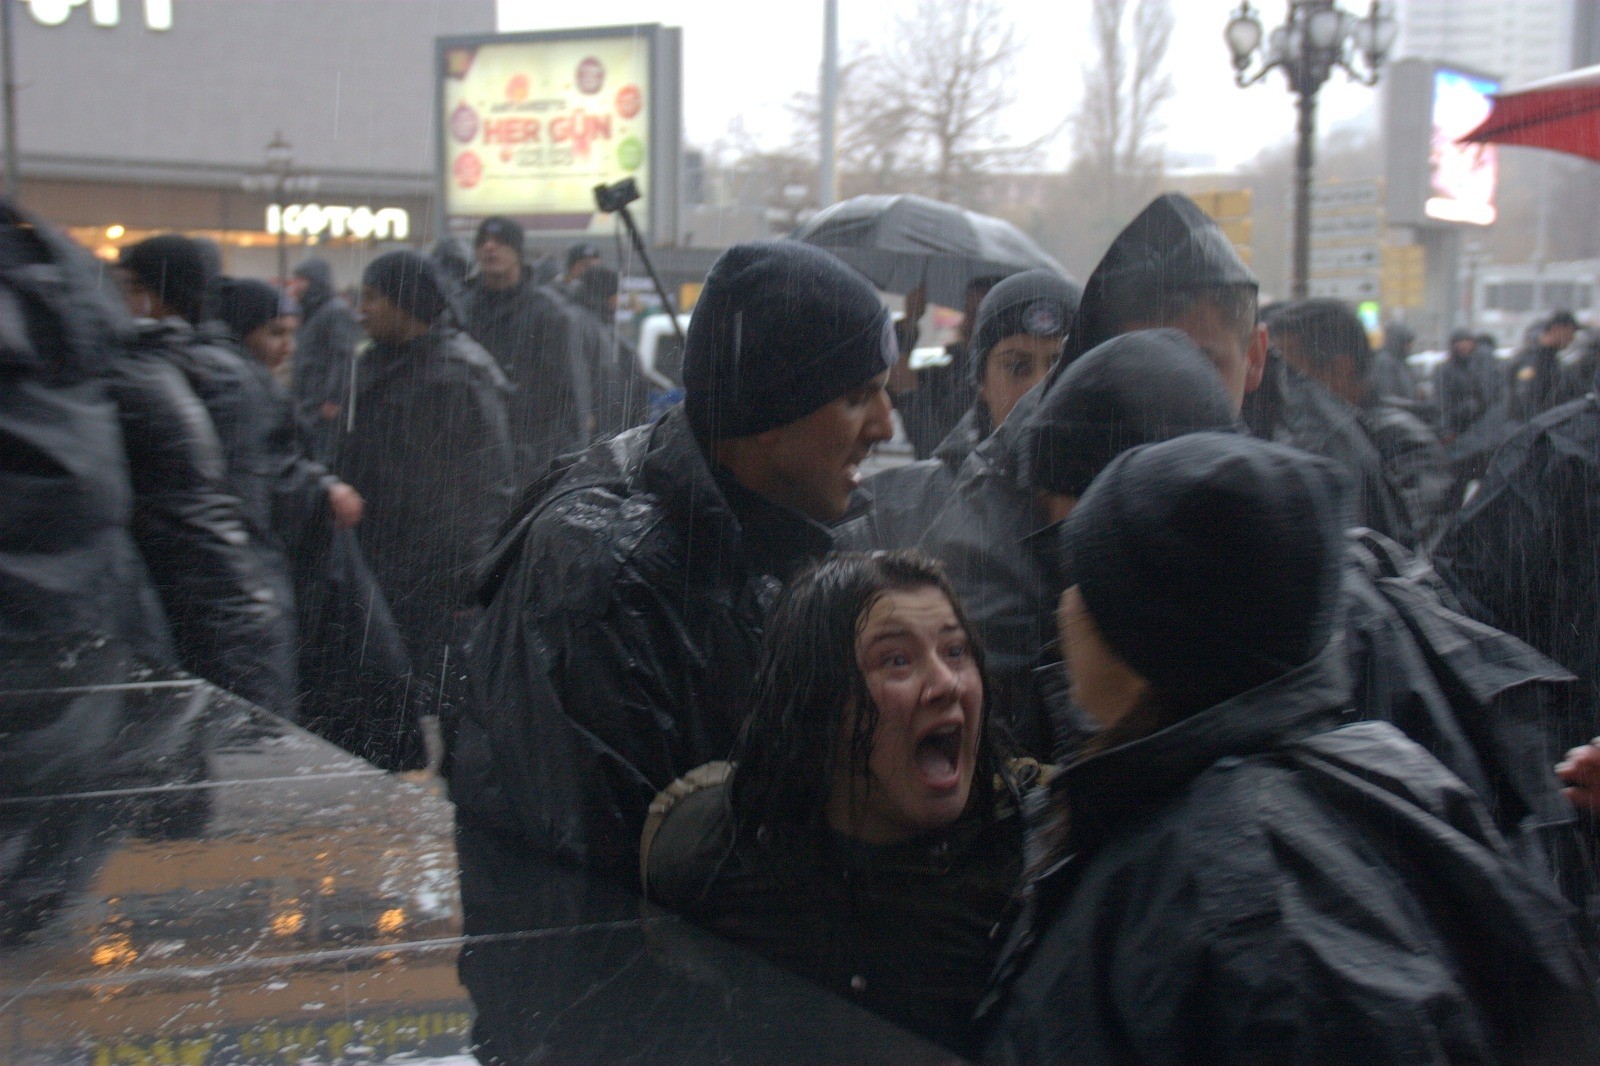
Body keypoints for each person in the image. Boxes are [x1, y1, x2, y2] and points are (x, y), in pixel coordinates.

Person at [983, 432, 1600, 1066]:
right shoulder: (1352, 773)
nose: (1064, 606)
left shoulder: (1253, 911)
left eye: (1082, 581)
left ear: (1143, 634)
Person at [451, 240, 896, 907]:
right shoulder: (603, 575)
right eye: (860, 397)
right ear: (770, 414)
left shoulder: (787, 524)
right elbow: (597, 891)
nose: (886, 426)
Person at [918, 193, 1268, 757]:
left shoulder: (1276, 494)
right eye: (1138, 362)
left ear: (1254, 357)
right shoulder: (1006, 506)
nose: (1168, 391)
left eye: (1202, 363)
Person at [642, 551, 1028, 1058]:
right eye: (897, 660)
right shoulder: (715, 855)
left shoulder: (1032, 857)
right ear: (819, 702)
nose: (947, 684)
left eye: (956, 651)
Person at [116, 235, 296, 713]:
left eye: (129, 286)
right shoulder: (198, 366)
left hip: (218, 605)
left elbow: (214, 512)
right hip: (230, 599)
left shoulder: (199, 374)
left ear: (156, 293)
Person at [340, 251, 514, 737]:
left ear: (405, 302)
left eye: (372, 297)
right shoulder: (377, 361)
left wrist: (469, 574)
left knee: (450, 702)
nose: (362, 309)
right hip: (384, 556)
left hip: (437, 570)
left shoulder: (458, 372)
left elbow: (486, 482)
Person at [843, 269, 1080, 553]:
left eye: (1061, 367)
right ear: (981, 383)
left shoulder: (1122, 498)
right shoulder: (902, 508)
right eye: (1017, 367)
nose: (1039, 388)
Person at [1268, 299, 1453, 545]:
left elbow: (1408, 548)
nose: (1280, 386)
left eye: (1291, 373)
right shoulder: (1297, 431)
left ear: (1341, 369)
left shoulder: (1404, 442)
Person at [460, 216, 588, 486]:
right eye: (482, 242)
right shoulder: (462, 311)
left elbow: (569, 395)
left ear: (517, 251)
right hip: (473, 464)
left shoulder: (548, 313)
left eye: (499, 242)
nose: (489, 248)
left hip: (533, 460)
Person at [890, 274, 1007, 459]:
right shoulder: (951, 361)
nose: (969, 323)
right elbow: (893, 385)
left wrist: (907, 393)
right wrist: (907, 327)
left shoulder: (997, 381)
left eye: (978, 314)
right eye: (967, 313)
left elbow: (931, 441)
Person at [286, 258, 361, 466]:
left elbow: (343, 357)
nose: (297, 285)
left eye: (302, 280)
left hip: (321, 402)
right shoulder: (312, 312)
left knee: (322, 456)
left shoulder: (334, 311)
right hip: (309, 398)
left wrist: (334, 398)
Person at [566, 264, 649, 439]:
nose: (619, 300)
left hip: (604, 426)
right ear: (606, 294)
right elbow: (580, 374)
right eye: (616, 293)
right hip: (597, 429)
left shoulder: (597, 322)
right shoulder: (583, 323)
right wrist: (587, 414)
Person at [1508, 310, 1581, 422]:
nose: (1572, 339)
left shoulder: (1550, 359)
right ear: (1558, 329)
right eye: (1570, 333)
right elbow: (1525, 400)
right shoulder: (1533, 359)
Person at [1372, 320, 1419, 401]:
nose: (1409, 347)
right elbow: (1388, 392)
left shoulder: (1402, 362)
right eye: (1407, 343)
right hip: (1395, 409)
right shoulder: (1385, 362)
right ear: (1398, 342)